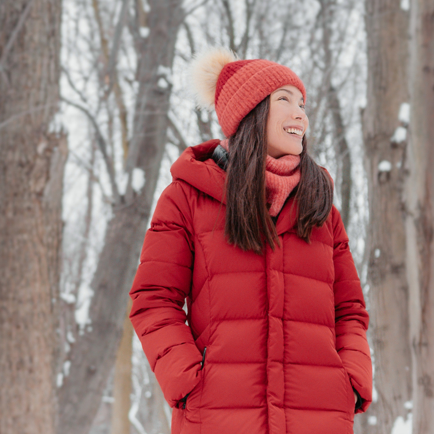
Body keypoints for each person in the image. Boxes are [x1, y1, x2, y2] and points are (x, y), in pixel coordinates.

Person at [129, 49, 373, 433]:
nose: (301, 115)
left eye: (303, 104)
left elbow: (350, 310)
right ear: (250, 112)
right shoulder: (187, 198)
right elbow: (153, 300)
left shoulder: (321, 208)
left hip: (318, 416)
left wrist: (351, 379)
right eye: (285, 100)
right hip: (220, 417)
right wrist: (190, 382)